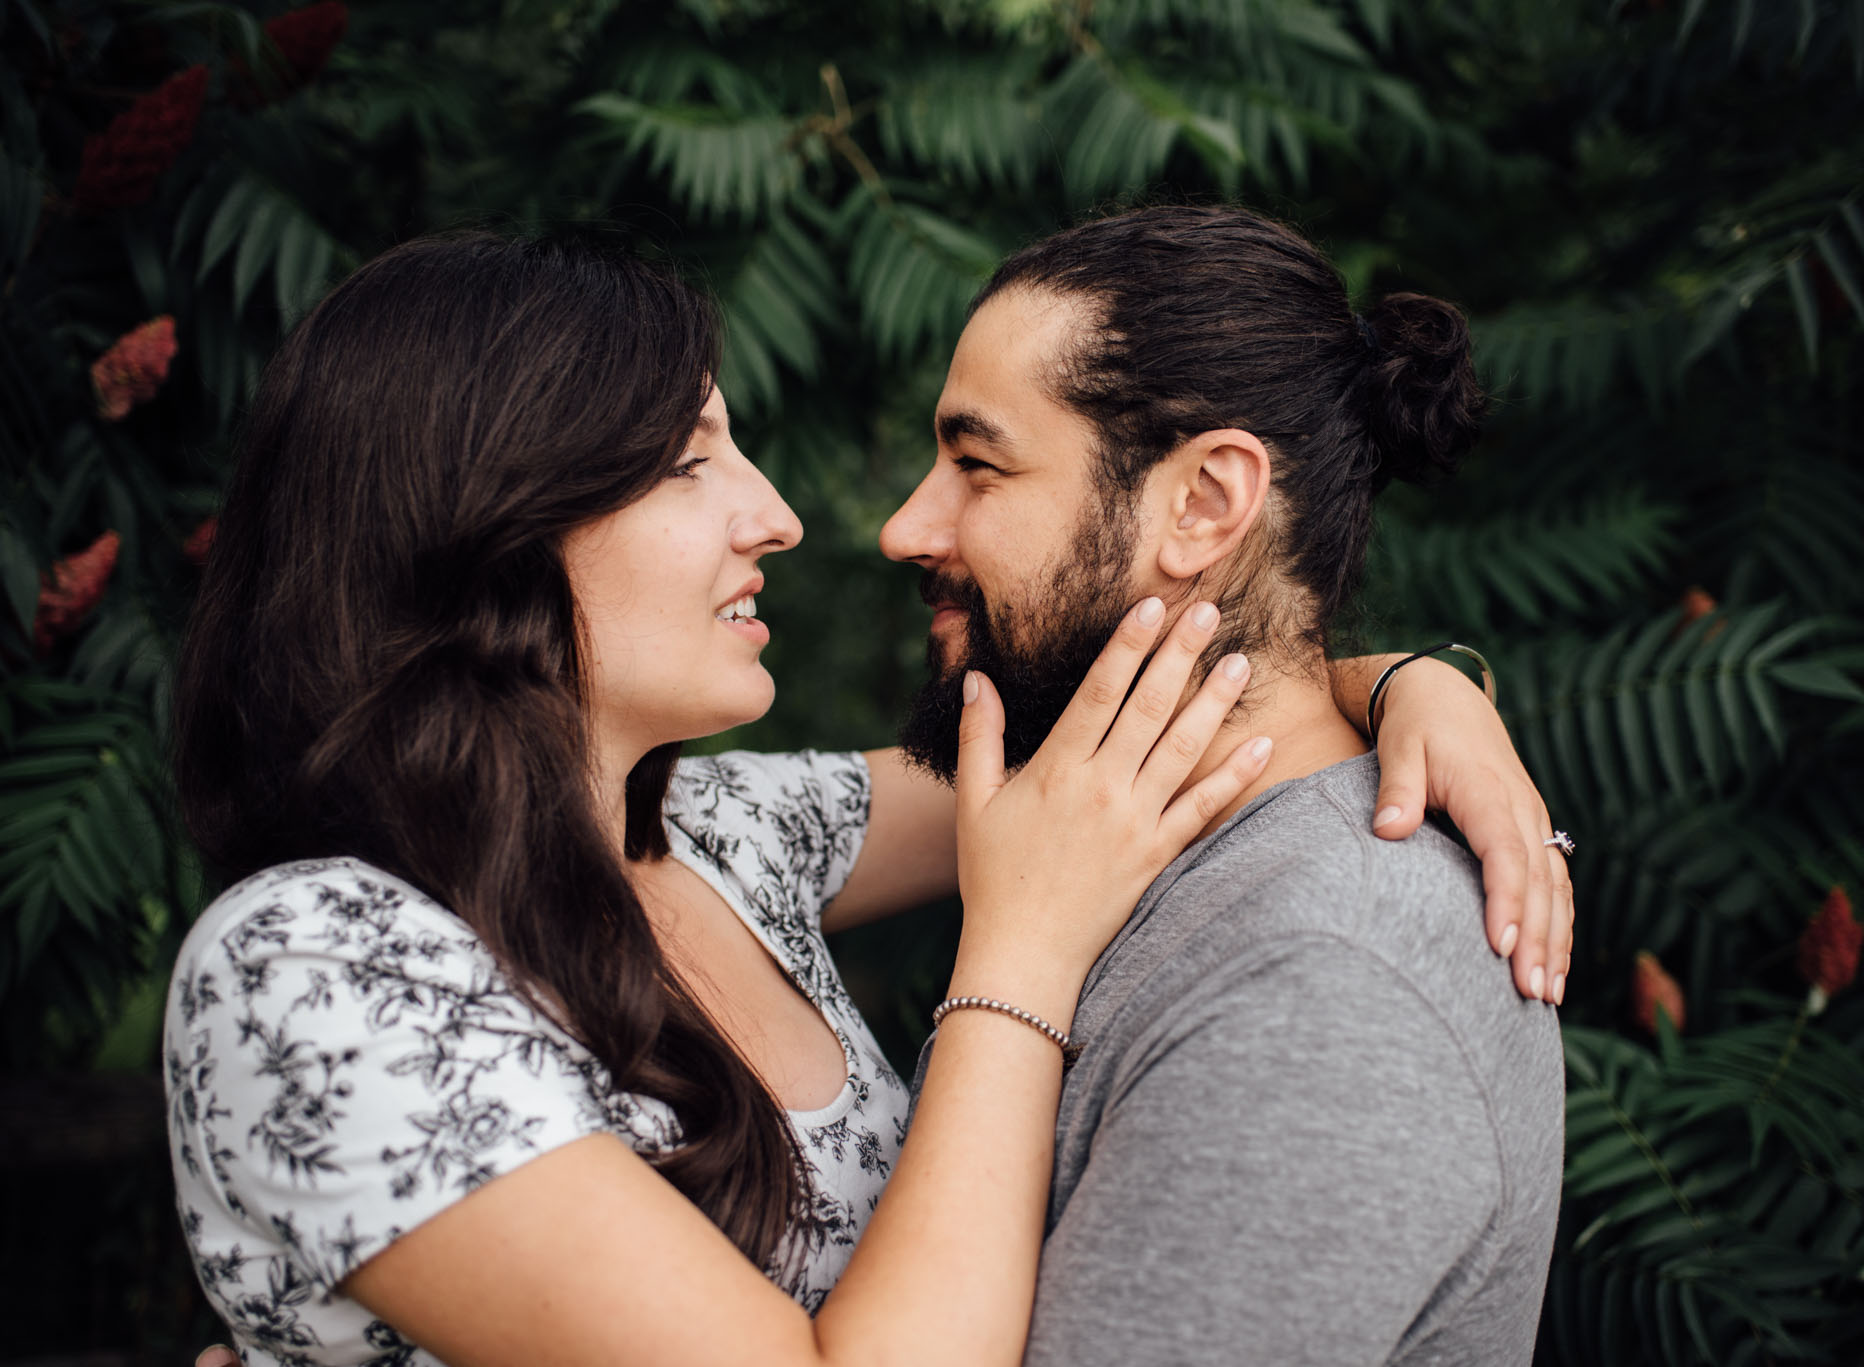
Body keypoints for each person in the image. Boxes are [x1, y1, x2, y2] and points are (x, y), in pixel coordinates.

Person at [167, 230, 1563, 1367]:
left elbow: (1126, 751)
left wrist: (1415, 684)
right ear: (485, 515)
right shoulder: (316, 965)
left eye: (975, 462)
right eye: (686, 457)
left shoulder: (723, 842)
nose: (782, 513)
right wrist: (1017, 958)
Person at [880, 205, 1566, 1365]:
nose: (907, 526)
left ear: (1203, 503)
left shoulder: (1324, 988)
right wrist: (1410, 678)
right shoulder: (1096, 834)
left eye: (977, 464)